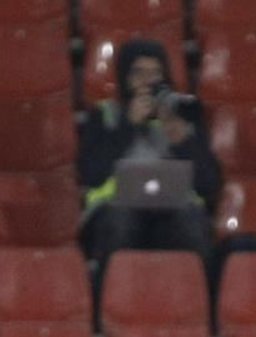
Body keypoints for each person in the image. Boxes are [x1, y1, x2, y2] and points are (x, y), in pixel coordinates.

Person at [76, 37, 222, 268]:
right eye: (139, 73)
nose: (147, 81)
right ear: (125, 77)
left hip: (176, 210)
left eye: (155, 73)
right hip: (114, 209)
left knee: (191, 223)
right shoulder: (105, 115)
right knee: (121, 223)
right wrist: (127, 126)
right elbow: (90, 175)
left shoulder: (185, 115)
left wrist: (184, 141)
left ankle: (196, 299)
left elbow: (209, 184)